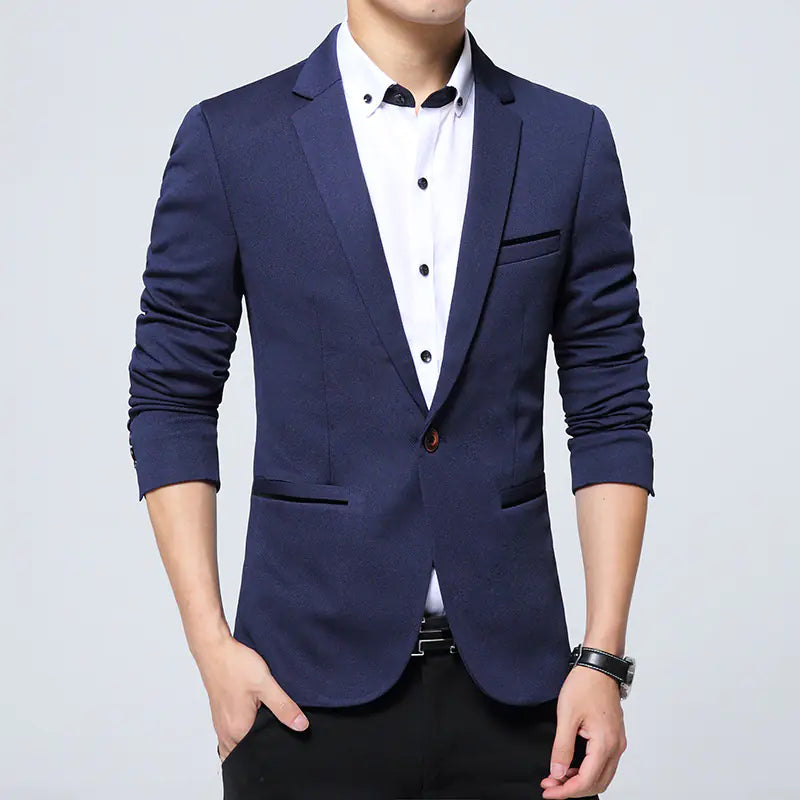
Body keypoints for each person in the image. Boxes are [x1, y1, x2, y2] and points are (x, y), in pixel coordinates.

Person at [126, 1, 654, 797]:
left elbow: (610, 403)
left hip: (523, 703)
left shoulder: (566, 140)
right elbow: (171, 396)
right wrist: (211, 648)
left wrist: (603, 659)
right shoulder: (233, 140)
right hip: (302, 697)